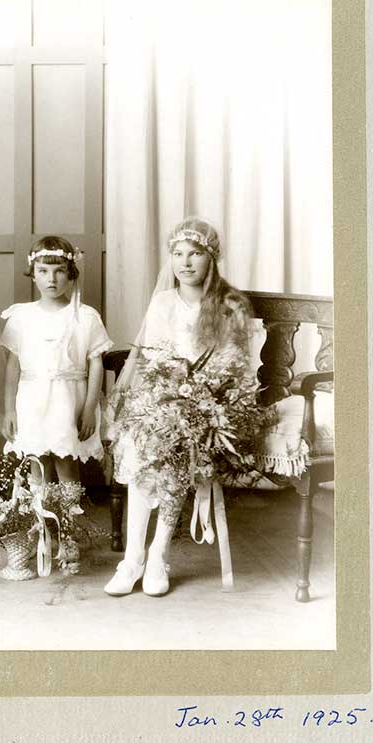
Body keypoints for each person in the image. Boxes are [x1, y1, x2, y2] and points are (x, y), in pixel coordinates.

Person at [103, 219, 253, 597]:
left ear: (211, 258)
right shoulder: (162, 302)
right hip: (168, 395)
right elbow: (154, 356)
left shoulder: (229, 304)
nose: (186, 263)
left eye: (196, 254)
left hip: (212, 402)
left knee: (175, 441)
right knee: (145, 439)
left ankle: (157, 554)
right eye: (178, 254)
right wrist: (167, 395)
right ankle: (134, 556)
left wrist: (198, 395)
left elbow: (234, 363)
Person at [0, 235, 112, 487]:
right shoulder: (21, 316)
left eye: (59, 271)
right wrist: (8, 409)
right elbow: (12, 366)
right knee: (36, 464)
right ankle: (41, 524)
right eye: (43, 271)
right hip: (32, 397)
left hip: (68, 399)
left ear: (70, 274)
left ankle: (67, 523)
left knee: (66, 462)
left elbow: (96, 364)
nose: (51, 279)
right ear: (33, 274)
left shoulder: (84, 316)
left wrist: (90, 409)